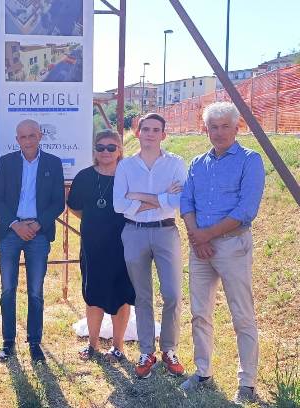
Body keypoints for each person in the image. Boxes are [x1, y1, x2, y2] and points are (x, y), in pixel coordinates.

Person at [179, 102, 265, 404]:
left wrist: (207, 235)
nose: (218, 132)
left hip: (232, 246)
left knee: (242, 314)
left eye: (224, 126)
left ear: (236, 128)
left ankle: (247, 383)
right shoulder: (197, 163)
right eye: (212, 127)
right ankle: (203, 372)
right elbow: (186, 202)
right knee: (199, 313)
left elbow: (246, 209)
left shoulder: (250, 161)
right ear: (206, 130)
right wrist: (196, 237)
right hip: (199, 248)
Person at [112, 112, 187, 379]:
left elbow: (181, 201)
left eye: (156, 130)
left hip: (166, 231)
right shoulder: (126, 166)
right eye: (146, 129)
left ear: (163, 135)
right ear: (138, 132)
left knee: (172, 294)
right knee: (142, 296)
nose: (150, 134)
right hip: (134, 232)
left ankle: (169, 349)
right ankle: (146, 352)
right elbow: (119, 205)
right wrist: (162, 198)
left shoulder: (176, 164)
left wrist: (140, 198)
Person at [0, 119, 65, 363]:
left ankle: (34, 342)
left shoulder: (53, 163)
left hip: (38, 233)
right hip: (11, 231)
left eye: (32, 135)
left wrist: (38, 224)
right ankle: (7, 342)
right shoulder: (7, 162)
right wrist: (15, 224)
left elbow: (58, 202)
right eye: (23, 137)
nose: (28, 141)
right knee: (7, 290)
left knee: (35, 291)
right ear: (17, 140)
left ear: (40, 136)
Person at [66, 129, 135, 362]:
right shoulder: (84, 176)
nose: (106, 152)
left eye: (111, 147)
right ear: (94, 150)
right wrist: (93, 221)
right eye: (101, 147)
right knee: (93, 293)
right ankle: (92, 345)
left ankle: (118, 346)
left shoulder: (128, 175)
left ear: (119, 150)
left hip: (123, 243)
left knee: (121, 293)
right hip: (93, 245)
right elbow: (75, 206)